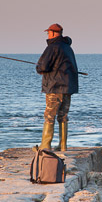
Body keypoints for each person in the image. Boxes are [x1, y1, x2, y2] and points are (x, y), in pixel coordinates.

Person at [35, 23, 79, 152]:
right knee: (63, 115)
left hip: (55, 87)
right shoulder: (68, 48)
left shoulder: (52, 47)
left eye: (49, 32)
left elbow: (43, 67)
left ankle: (45, 146)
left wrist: (38, 67)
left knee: (49, 115)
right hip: (68, 88)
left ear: (54, 33)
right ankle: (63, 145)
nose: (48, 35)